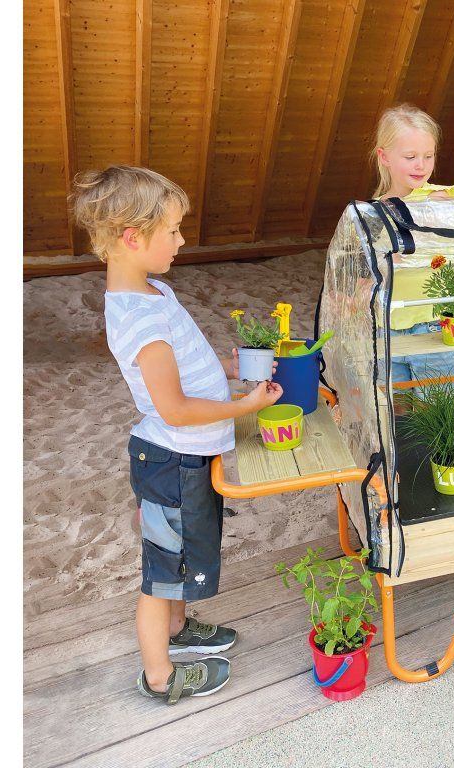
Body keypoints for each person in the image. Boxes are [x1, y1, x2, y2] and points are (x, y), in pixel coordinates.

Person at [70, 166, 282, 704]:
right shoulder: (139, 320)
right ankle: (160, 676)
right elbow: (175, 408)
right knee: (160, 574)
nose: (182, 240)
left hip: (185, 457)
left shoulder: (155, 291)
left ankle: (178, 629)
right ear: (132, 237)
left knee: (182, 556)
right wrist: (243, 407)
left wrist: (233, 371)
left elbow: (189, 368)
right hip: (171, 461)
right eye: (172, 230)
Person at [371, 104, 454, 407]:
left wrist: (394, 259)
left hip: (432, 324)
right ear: (384, 157)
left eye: (428, 156)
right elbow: (374, 266)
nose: (421, 165)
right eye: (410, 157)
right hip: (387, 327)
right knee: (396, 410)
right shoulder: (376, 207)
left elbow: (438, 240)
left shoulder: (440, 198)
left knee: (439, 410)